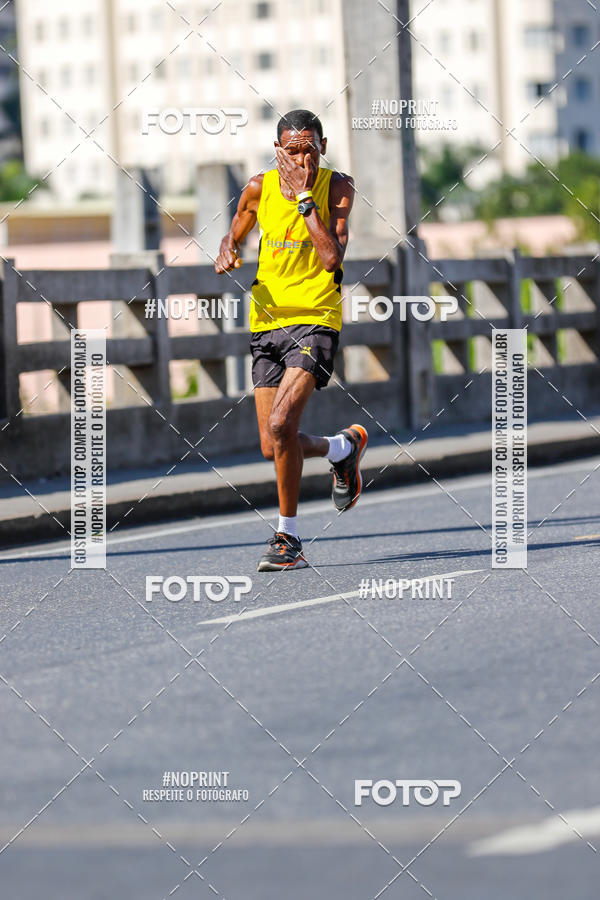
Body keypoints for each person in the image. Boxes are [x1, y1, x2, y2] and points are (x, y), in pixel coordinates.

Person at [215, 109, 368, 571]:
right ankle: (343, 449)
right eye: (293, 150)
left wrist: (305, 199)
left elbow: (329, 257)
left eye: (310, 148)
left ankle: (288, 538)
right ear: (277, 150)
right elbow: (235, 232)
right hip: (267, 323)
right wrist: (229, 248)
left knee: (282, 425)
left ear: (324, 144)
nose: (302, 159)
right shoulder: (258, 189)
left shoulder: (337, 187)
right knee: (271, 444)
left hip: (316, 319)